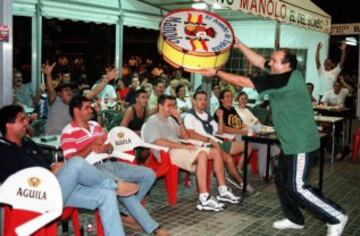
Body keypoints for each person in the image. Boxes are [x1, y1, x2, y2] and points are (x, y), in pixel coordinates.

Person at [201, 37, 348, 236]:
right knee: (281, 180)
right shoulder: (286, 74)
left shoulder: (283, 79)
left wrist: (217, 72)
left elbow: (243, 81)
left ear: (286, 65)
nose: (270, 62)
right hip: (290, 143)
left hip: (301, 143)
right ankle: (295, 218)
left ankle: (336, 216)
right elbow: (260, 61)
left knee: (298, 187)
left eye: (275, 60)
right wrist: (241, 45)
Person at [0, 105, 139, 236]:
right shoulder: (3, 150)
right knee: (77, 162)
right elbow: (9, 183)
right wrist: (48, 175)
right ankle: (115, 185)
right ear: (8, 125)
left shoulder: (27, 142)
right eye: (22, 119)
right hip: (36, 197)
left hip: (56, 189)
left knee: (106, 195)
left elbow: (48, 162)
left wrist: (56, 166)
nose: (27, 123)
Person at [60, 96, 168, 236]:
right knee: (124, 189)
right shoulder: (68, 132)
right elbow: (72, 162)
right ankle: (153, 227)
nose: (91, 110)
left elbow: (110, 147)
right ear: (76, 110)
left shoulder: (96, 126)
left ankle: (125, 213)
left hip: (110, 162)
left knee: (149, 174)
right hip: (93, 169)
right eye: (87, 107)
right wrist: (90, 147)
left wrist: (107, 149)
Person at [142, 94, 241, 212]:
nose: (172, 108)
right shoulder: (153, 120)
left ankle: (223, 190)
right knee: (202, 154)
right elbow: (159, 141)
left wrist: (179, 120)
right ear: (160, 105)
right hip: (166, 153)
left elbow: (184, 135)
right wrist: (182, 146)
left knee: (215, 152)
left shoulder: (170, 120)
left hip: (179, 148)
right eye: (169, 105)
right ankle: (204, 198)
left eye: (173, 105)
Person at [183, 90, 254, 192]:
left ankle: (237, 170)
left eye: (205, 99)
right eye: (200, 99)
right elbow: (191, 134)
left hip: (217, 141)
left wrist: (220, 118)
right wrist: (209, 140)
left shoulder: (207, 115)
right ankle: (242, 183)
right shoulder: (189, 116)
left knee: (247, 146)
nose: (203, 102)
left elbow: (219, 131)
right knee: (228, 159)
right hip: (206, 145)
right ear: (193, 101)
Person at [235, 92, 280, 179]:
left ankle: (265, 174)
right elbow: (243, 126)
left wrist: (268, 129)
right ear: (237, 100)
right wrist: (259, 129)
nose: (244, 101)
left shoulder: (247, 110)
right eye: (242, 99)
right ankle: (276, 163)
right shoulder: (236, 111)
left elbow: (258, 123)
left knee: (266, 145)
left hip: (253, 135)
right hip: (243, 137)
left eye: (245, 99)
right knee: (270, 144)